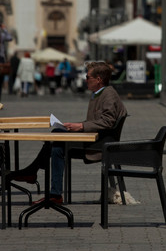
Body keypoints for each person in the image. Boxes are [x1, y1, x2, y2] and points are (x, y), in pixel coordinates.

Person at [12, 61, 127, 204]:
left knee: (57, 145)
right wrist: (75, 126)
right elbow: (96, 121)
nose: (85, 80)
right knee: (57, 133)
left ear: (98, 80)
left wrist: (81, 126)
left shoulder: (108, 94)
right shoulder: (99, 93)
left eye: (88, 77)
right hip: (94, 138)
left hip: (99, 145)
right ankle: (36, 175)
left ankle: (48, 187)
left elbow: (108, 121)